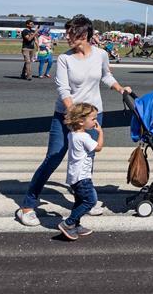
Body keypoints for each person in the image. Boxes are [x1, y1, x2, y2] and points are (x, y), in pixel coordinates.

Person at [16, 15, 132, 227]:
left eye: (71, 33)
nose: (67, 37)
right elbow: (63, 89)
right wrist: (74, 114)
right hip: (67, 115)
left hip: (93, 116)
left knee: (86, 159)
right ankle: (27, 205)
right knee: (53, 157)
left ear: (84, 35)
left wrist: (120, 88)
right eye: (67, 33)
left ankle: (84, 199)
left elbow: (106, 76)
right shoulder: (65, 58)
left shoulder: (101, 54)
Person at [58, 102, 104, 240]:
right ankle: (68, 223)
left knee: (79, 202)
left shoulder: (72, 134)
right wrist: (100, 133)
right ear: (81, 121)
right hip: (82, 177)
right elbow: (98, 147)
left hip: (74, 176)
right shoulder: (84, 137)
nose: (95, 122)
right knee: (90, 201)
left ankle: (76, 225)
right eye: (93, 119)